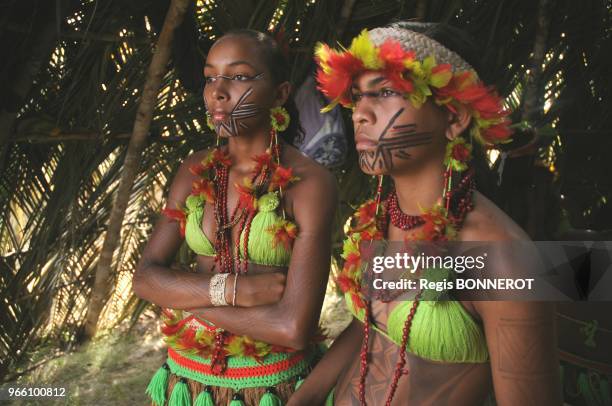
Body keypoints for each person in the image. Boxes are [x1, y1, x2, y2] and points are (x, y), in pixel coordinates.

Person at [288, 22, 562, 405]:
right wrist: (304, 398)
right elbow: (371, 326)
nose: (359, 114)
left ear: (454, 118)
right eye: (356, 97)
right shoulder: (379, 218)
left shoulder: (502, 258)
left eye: (383, 93)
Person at [133, 29, 337, 406]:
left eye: (239, 76)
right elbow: (145, 279)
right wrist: (237, 292)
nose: (218, 91)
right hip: (187, 382)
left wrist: (182, 295)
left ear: (280, 94)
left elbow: (292, 328)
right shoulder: (195, 170)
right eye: (211, 77)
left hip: (272, 388)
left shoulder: (309, 184)